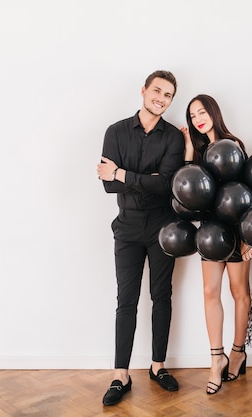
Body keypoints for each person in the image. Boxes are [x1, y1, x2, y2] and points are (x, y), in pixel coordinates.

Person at [97, 70, 185, 405]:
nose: (161, 99)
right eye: (157, 91)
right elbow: (107, 185)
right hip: (128, 228)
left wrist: (122, 173)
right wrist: (142, 178)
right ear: (144, 91)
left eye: (168, 95)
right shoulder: (116, 131)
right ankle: (121, 374)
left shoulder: (174, 138)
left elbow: (166, 184)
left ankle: (158, 366)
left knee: (162, 297)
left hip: (164, 228)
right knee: (126, 301)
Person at [180, 94, 252, 395]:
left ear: (213, 112)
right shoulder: (197, 151)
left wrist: (248, 237)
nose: (198, 118)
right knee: (210, 292)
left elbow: (248, 192)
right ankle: (216, 359)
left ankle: (238, 352)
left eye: (202, 111)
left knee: (240, 293)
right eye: (192, 114)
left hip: (237, 230)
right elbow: (185, 187)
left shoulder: (233, 145)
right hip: (210, 233)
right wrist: (188, 149)